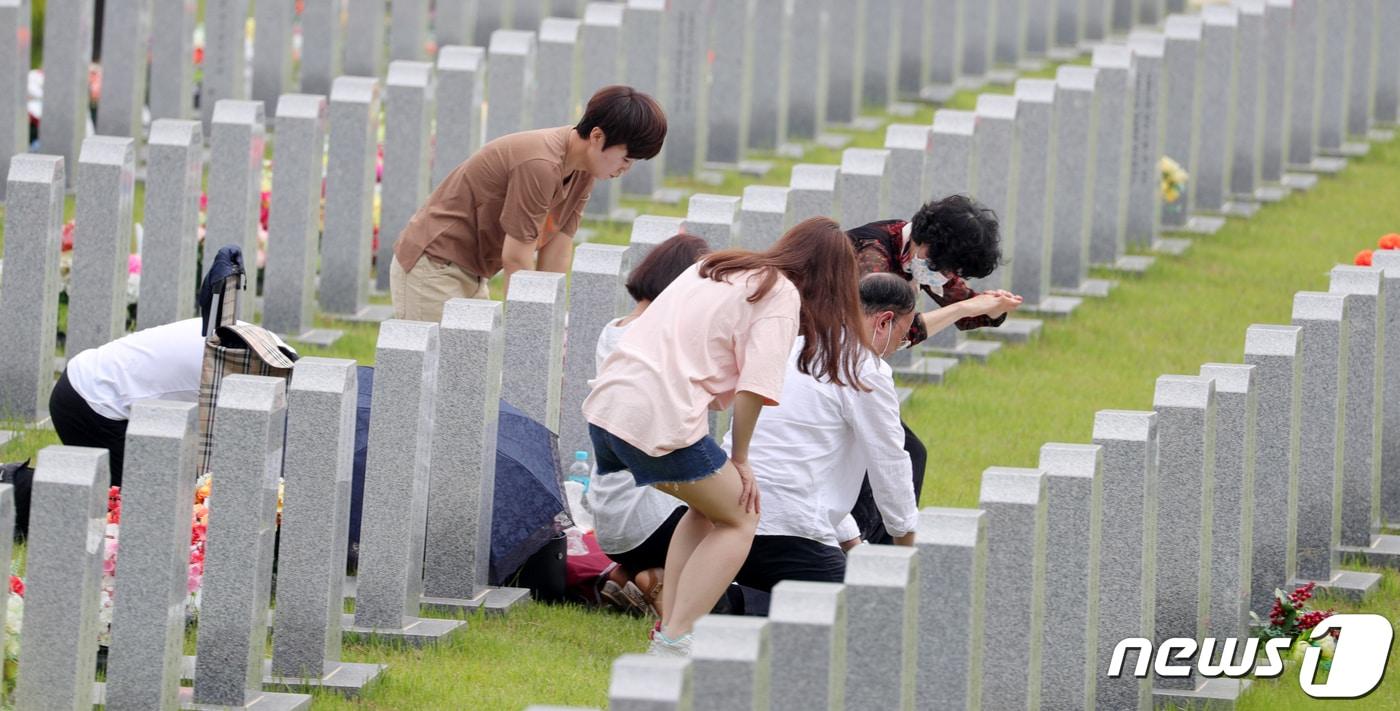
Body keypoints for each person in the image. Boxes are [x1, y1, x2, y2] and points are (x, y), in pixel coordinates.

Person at [582, 217, 869, 656]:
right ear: (830, 278)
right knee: (741, 515)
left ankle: (670, 628)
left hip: (609, 410)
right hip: (656, 416)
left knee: (705, 507)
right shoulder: (780, 292)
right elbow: (755, 388)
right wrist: (741, 459)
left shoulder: (719, 265)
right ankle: (677, 637)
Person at [391, 85, 667, 320]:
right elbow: (516, 257)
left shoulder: (583, 170)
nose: (625, 169)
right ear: (597, 136)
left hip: (472, 271)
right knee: (445, 374)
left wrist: (549, 317)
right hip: (433, 266)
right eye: (626, 158)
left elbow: (558, 246)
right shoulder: (540, 164)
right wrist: (529, 324)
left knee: (469, 371)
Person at [720, 273, 920, 591]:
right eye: (904, 335)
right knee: (859, 611)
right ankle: (730, 604)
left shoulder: (793, 346)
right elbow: (890, 462)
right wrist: (907, 546)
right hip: (787, 531)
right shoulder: (865, 367)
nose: (899, 346)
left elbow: (811, 464)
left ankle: (731, 597)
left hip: (725, 516)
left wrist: (852, 545)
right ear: (884, 322)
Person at [845, 195, 1023, 543]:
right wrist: (964, 308)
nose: (948, 276)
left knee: (904, 454)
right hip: (818, 367)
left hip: (848, 368)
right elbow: (891, 335)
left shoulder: (913, 249)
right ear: (926, 245)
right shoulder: (873, 257)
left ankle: (871, 555)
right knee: (899, 455)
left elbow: (966, 306)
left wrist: (994, 306)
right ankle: (871, 557)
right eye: (948, 268)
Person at [581, 234, 712, 617]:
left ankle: (631, 574)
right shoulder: (660, 338)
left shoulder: (613, 329)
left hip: (610, 513)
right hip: (649, 517)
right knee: (742, 536)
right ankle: (653, 578)